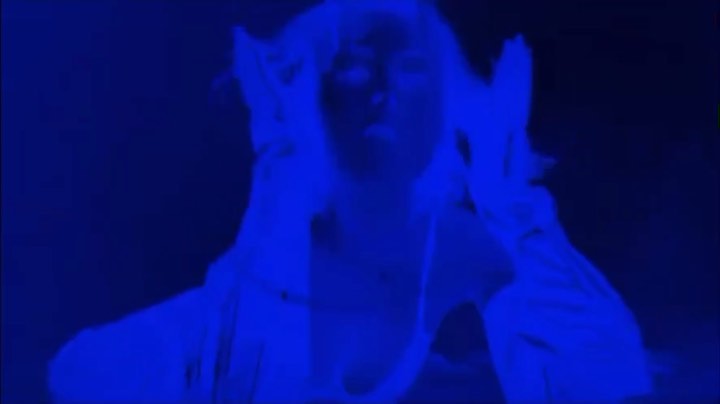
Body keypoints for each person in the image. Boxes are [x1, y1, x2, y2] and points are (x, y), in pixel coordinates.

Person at [48, 1, 653, 402]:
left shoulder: (461, 244)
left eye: (412, 67)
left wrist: (510, 196)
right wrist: (280, 170)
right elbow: (87, 376)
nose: (384, 90)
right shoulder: (277, 243)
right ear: (312, 96)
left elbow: (605, 382)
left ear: (447, 102)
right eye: (356, 66)